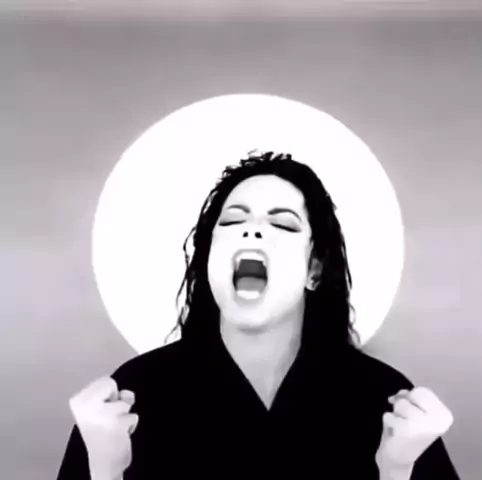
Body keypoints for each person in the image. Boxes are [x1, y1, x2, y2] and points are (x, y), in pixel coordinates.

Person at [56, 151, 460, 479]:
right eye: (233, 220)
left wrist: (397, 469)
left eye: (283, 224)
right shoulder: (132, 397)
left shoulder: (384, 402)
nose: (252, 230)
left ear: (315, 270)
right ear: (209, 259)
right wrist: (104, 468)